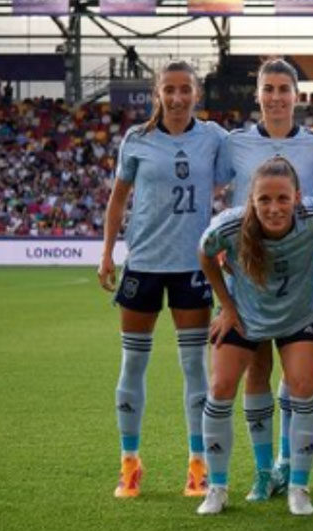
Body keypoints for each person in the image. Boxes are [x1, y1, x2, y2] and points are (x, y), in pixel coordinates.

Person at [98, 60, 231, 500]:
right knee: (132, 364)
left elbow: (240, 175)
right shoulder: (136, 140)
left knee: (195, 367)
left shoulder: (213, 138)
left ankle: (198, 466)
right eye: (168, 90)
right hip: (143, 266)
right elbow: (117, 201)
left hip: (192, 266)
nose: (176, 97)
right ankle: (129, 463)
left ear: (196, 93)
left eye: (184, 90)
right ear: (157, 93)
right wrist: (107, 254)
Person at [195, 156, 313, 516]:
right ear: (251, 200)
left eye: (282, 198)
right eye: (264, 199)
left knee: (302, 386)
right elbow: (205, 254)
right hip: (246, 317)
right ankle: (219, 488)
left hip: (298, 317)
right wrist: (227, 306)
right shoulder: (230, 226)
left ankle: (298, 486)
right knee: (220, 387)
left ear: (297, 197)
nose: (274, 207)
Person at [224, 58, 313, 502]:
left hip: (300, 279)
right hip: (248, 278)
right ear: (258, 94)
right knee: (258, 370)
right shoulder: (232, 143)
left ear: (296, 96)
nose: (275, 97)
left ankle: (288, 464)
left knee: (299, 379)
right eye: (268, 89)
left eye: (283, 89)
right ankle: (262, 472)